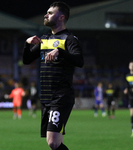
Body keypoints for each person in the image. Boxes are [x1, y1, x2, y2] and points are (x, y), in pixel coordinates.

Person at [23, 2, 84, 150]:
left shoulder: (69, 38)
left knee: (53, 142)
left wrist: (60, 51)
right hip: (46, 97)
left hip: (60, 97)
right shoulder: (45, 39)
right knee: (56, 143)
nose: (46, 15)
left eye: (50, 13)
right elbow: (26, 60)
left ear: (61, 17)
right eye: (46, 12)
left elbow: (79, 61)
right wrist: (27, 43)